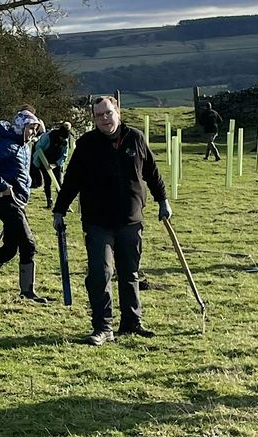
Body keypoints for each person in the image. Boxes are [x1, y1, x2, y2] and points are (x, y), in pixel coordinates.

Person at [52, 96, 170, 345]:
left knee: (129, 273)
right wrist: (59, 210)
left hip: (131, 219)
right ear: (94, 119)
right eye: (99, 115)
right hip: (98, 222)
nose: (104, 118)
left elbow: (152, 172)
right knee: (100, 273)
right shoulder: (87, 144)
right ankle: (103, 327)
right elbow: (72, 179)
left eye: (108, 113)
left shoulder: (136, 138)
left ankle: (131, 322)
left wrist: (163, 201)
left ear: (118, 112)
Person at [0, 109, 47, 302]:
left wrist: (31, 181)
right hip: (7, 203)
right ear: (21, 127)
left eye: (35, 129)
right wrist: (2, 185)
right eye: (31, 128)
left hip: (18, 203)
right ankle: (27, 292)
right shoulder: (8, 144)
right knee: (28, 244)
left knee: (10, 248)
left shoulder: (24, 146)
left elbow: (19, 171)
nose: (33, 132)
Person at [32, 122, 72, 209]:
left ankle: (63, 203)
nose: (62, 139)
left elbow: (64, 155)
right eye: (61, 137)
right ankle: (49, 202)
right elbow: (38, 147)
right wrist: (45, 163)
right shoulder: (48, 136)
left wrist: (56, 164)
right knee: (47, 182)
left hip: (57, 162)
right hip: (45, 160)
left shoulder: (65, 140)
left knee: (59, 182)